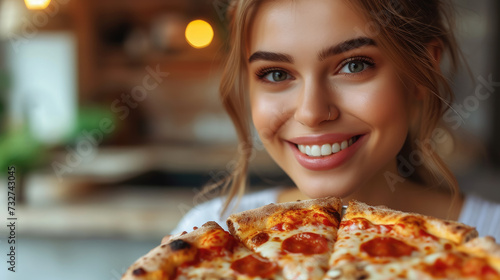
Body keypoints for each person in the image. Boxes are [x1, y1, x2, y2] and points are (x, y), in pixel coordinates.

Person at [171, 0, 500, 240]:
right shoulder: (209, 230)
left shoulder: (491, 239)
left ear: (422, 72)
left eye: (354, 65)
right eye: (275, 73)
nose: (312, 113)